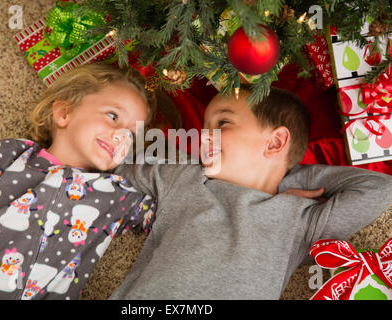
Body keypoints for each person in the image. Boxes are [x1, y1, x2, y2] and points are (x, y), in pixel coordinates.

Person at [109, 84, 392, 299]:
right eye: (206, 126)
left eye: (222, 123)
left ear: (275, 142)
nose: (205, 135)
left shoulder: (299, 218)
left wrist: (285, 176)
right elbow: (121, 157)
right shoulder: (186, 176)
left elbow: (378, 188)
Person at [0, 63, 158, 300]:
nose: (121, 136)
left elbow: (172, 212)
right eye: (113, 116)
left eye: (132, 135)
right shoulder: (9, 153)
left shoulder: (120, 195)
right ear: (64, 113)